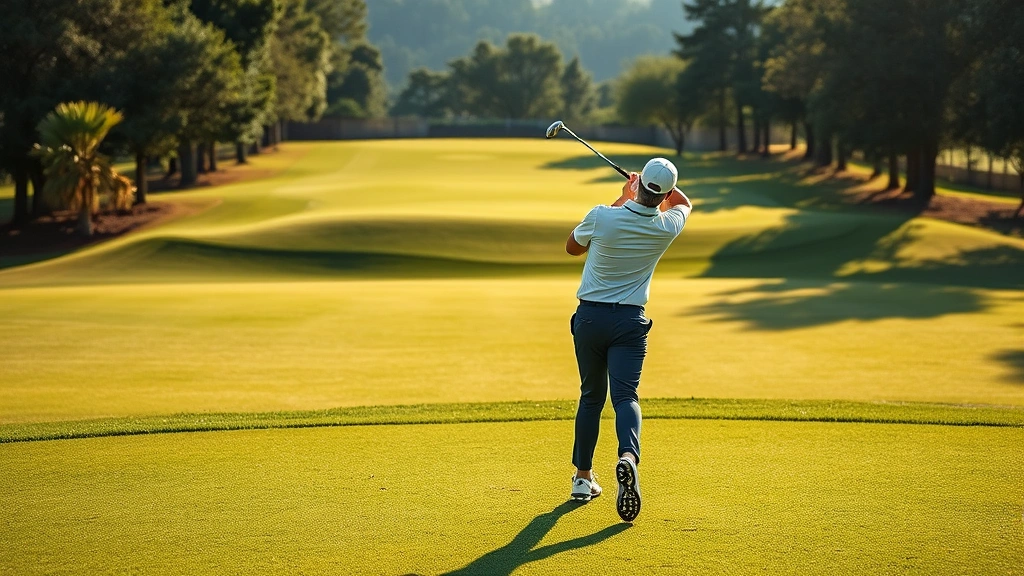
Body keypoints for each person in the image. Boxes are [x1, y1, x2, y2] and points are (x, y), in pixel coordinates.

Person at [564, 157, 692, 522]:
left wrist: (624, 196)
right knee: (625, 397)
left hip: (590, 318)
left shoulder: (602, 215)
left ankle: (582, 478)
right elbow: (683, 203)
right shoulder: (667, 225)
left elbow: (572, 248)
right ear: (664, 193)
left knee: (591, 396)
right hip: (630, 323)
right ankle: (627, 458)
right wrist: (651, 190)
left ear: (638, 186)